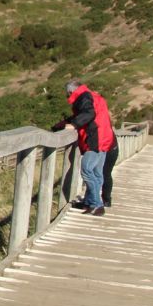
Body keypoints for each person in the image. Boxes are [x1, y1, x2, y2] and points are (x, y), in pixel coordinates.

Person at [51, 79, 117, 215]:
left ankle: (97, 204)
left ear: (71, 91)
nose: (67, 97)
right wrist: (61, 125)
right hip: (105, 138)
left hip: (95, 139)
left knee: (86, 170)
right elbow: (85, 113)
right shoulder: (93, 96)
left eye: (67, 94)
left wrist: (74, 125)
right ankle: (88, 202)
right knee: (97, 173)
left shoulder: (84, 97)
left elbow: (88, 114)